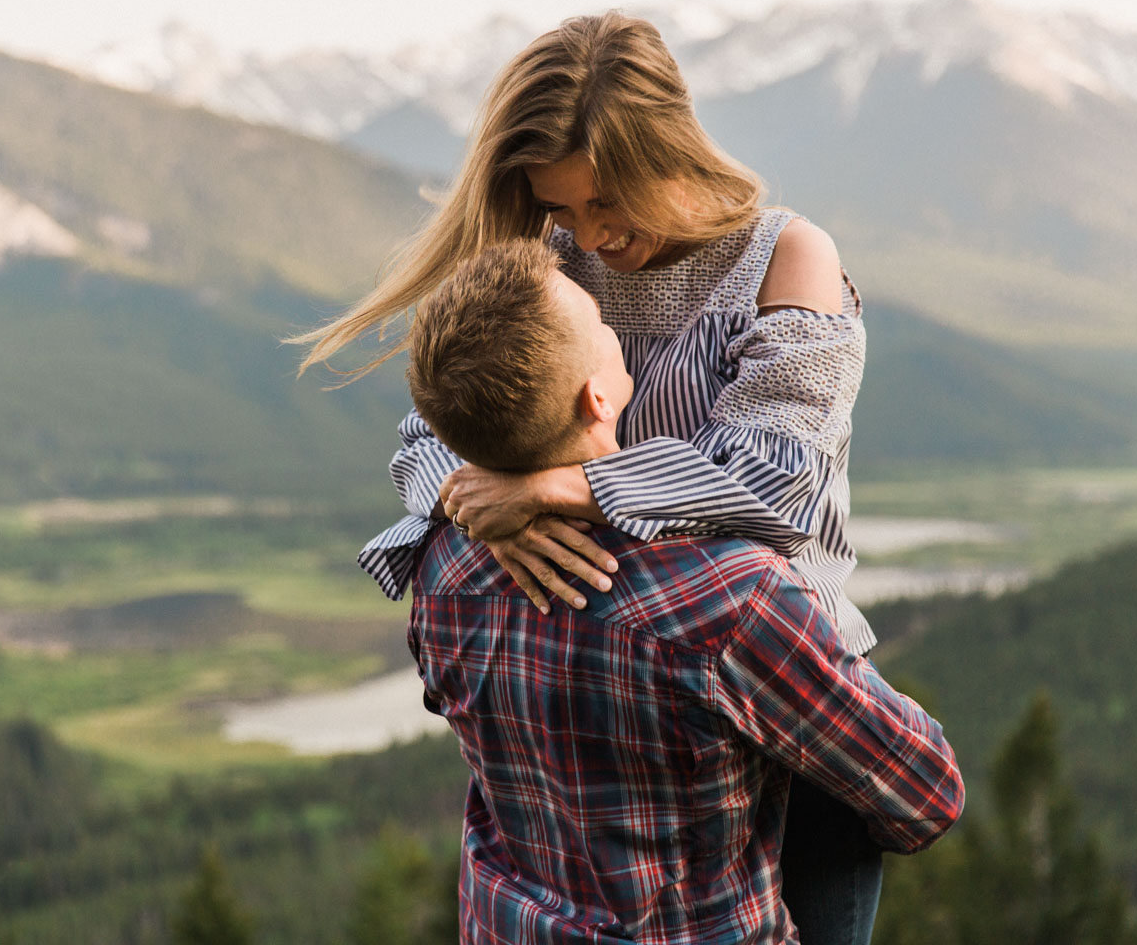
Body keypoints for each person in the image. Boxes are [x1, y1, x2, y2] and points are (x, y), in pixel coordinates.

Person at [295, 11, 883, 942]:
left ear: (670, 147)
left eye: (608, 199)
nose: (592, 234)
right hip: (619, 716)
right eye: (562, 208)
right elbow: (428, 438)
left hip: (785, 711)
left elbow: (781, 484)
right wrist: (474, 496)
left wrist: (557, 490)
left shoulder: (787, 257)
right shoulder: (559, 268)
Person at [402, 240, 962, 943]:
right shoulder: (730, 596)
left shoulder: (443, 570)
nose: (615, 324)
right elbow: (926, 790)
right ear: (597, 396)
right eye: (600, 320)